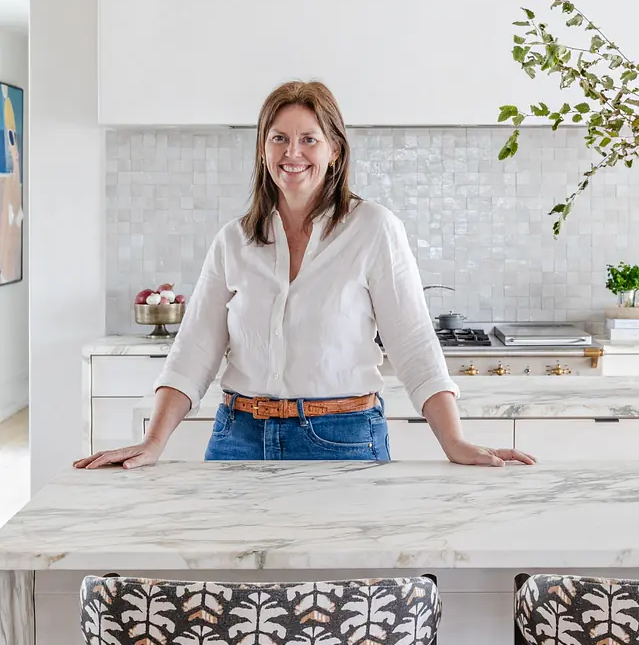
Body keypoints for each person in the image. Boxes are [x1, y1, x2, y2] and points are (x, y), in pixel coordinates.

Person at [75, 81, 535, 470]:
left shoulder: (373, 228)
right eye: (278, 138)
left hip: (343, 438)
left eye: (309, 139)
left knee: (344, 580)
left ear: (334, 150)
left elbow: (413, 345)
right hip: (238, 437)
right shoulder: (234, 240)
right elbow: (194, 351)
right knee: (234, 579)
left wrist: (454, 443)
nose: (292, 153)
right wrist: (154, 442)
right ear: (262, 147)